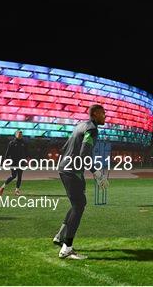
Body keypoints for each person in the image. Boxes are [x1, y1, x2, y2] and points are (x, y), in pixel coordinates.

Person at [52, 104, 109, 260]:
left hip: (65, 168)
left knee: (76, 204)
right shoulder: (91, 129)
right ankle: (66, 249)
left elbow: (64, 147)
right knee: (79, 205)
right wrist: (97, 173)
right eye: (103, 113)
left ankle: (59, 237)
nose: (105, 116)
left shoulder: (80, 125)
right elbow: (84, 154)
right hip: (72, 170)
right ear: (96, 114)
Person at [0, 130, 28, 196]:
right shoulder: (12, 143)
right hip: (13, 162)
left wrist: (27, 159)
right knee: (13, 176)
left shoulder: (24, 143)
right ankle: (2, 187)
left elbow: (26, 152)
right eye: (19, 134)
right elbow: (7, 152)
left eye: (21, 134)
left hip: (21, 162)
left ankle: (17, 190)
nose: (20, 135)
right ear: (15, 135)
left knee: (20, 176)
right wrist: (5, 160)